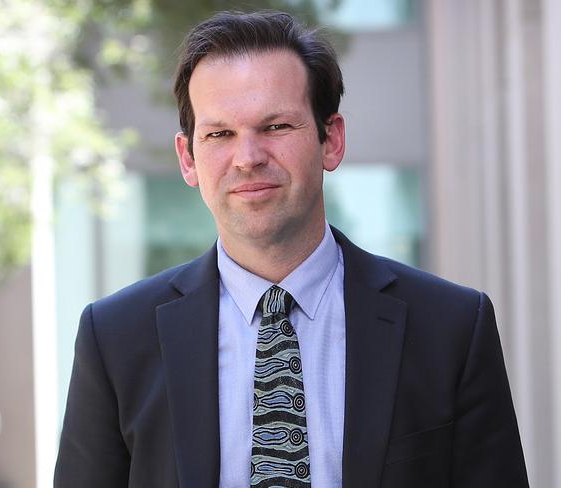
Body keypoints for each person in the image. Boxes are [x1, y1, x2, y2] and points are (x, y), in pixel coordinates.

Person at [54, 10, 529, 488]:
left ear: (332, 140)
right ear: (188, 157)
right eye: (219, 134)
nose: (248, 158)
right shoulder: (115, 338)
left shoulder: (451, 327)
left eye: (277, 126)